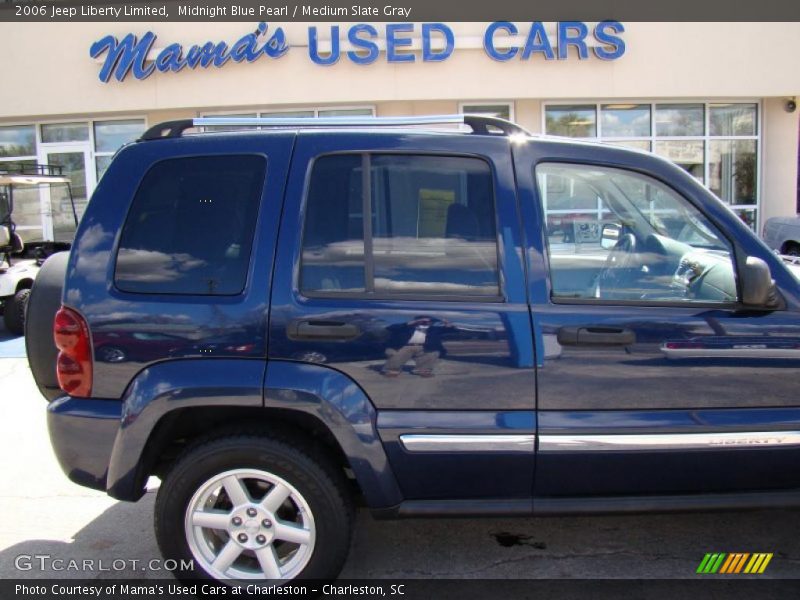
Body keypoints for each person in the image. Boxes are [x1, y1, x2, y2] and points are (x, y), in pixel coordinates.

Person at [382, 316, 454, 378]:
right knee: (398, 356)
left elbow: (450, 330)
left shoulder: (434, 329)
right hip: (406, 346)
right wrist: (415, 322)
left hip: (425, 346)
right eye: (423, 321)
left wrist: (447, 323)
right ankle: (392, 371)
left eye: (429, 321)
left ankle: (423, 370)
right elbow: (390, 328)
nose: (426, 322)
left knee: (432, 353)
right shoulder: (406, 327)